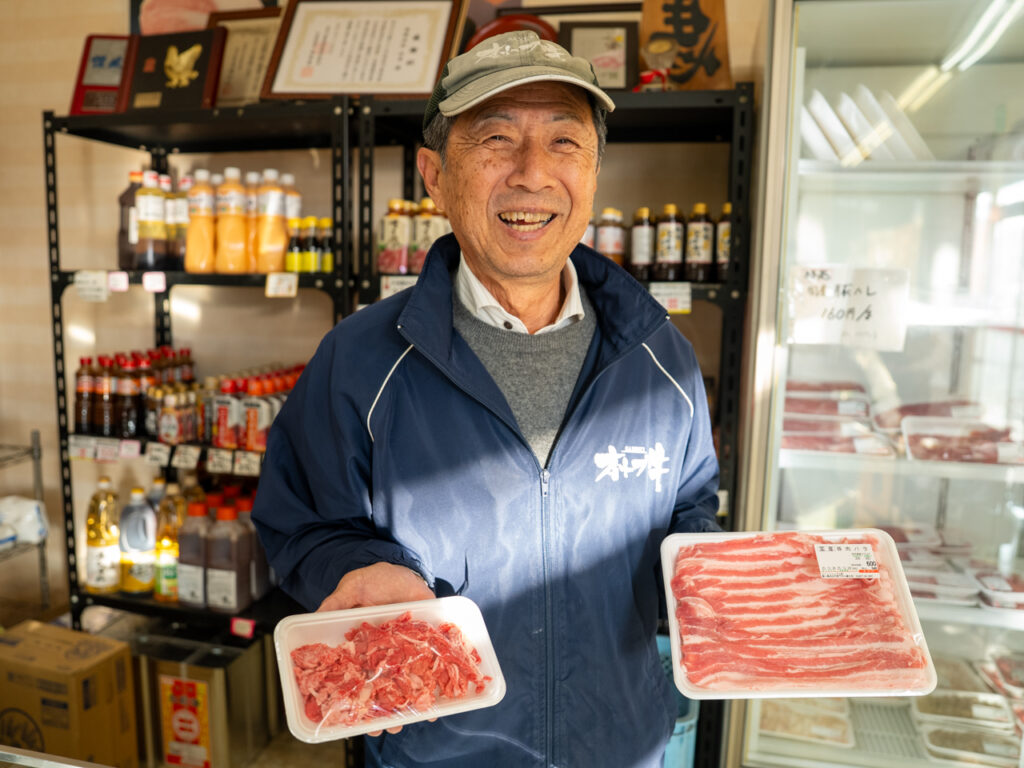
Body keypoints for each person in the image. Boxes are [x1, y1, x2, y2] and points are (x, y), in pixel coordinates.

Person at [252, 30, 720, 768]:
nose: (532, 175)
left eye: (565, 142)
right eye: (496, 138)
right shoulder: (361, 359)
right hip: (434, 749)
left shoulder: (659, 356)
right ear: (434, 175)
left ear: (595, 174)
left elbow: (690, 511)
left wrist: (732, 589)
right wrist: (357, 566)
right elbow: (301, 522)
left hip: (622, 745)